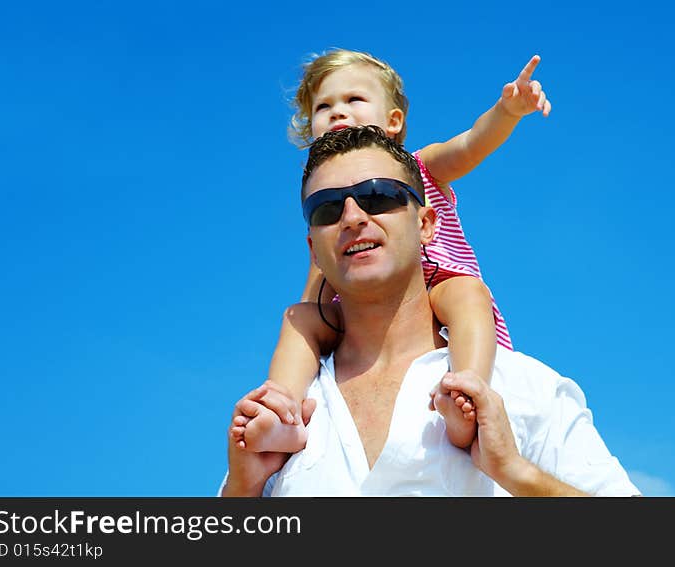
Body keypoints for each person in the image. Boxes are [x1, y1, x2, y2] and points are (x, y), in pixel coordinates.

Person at [221, 125, 641, 496]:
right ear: (314, 247)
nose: (352, 216)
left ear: (426, 224)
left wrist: (515, 473)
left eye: (378, 196)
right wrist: (242, 491)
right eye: (328, 208)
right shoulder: (282, 418)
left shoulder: (521, 387)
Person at [233, 49, 551, 453]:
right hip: (360, 308)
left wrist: (507, 111)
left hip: (437, 282)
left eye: (353, 100)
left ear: (394, 120)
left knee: (470, 293)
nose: (337, 112)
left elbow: (471, 144)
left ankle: (466, 392)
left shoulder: (420, 167)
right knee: (299, 317)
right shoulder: (326, 198)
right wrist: (313, 328)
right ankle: (282, 414)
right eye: (324, 106)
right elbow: (318, 280)